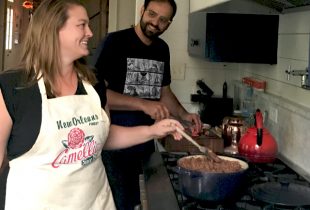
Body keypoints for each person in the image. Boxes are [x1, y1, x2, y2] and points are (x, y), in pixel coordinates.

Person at [0, 0, 184, 210]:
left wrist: (152, 130)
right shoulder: (12, 88)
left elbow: (104, 135)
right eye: (81, 25)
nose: (89, 32)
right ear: (53, 29)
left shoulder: (92, 83)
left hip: (96, 203)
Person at [93, 0, 202, 209]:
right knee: (119, 203)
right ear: (142, 11)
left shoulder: (162, 49)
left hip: (147, 141)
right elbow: (97, 94)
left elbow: (164, 92)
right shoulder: (114, 42)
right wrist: (143, 104)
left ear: (169, 23)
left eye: (163, 20)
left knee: (142, 201)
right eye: (152, 14)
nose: (155, 22)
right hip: (114, 141)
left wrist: (183, 114)